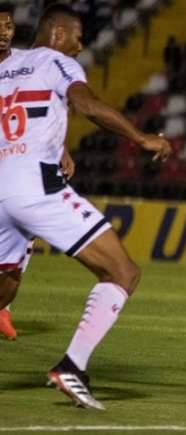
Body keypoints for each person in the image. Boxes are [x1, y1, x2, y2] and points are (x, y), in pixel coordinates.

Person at [0, 4, 172, 409]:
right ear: (58, 34)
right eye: (78, 35)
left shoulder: (10, 62)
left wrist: (57, 144)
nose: (81, 45)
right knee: (122, 271)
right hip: (35, 187)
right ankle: (72, 367)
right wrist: (142, 138)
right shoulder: (56, 60)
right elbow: (87, 104)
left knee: (6, 285)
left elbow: (20, 115)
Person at [0, 3, 76, 341]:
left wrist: (61, 148)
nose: (5, 31)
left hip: (16, 166)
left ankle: (3, 308)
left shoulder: (22, 64)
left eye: (9, 25)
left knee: (18, 251)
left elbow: (39, 109)